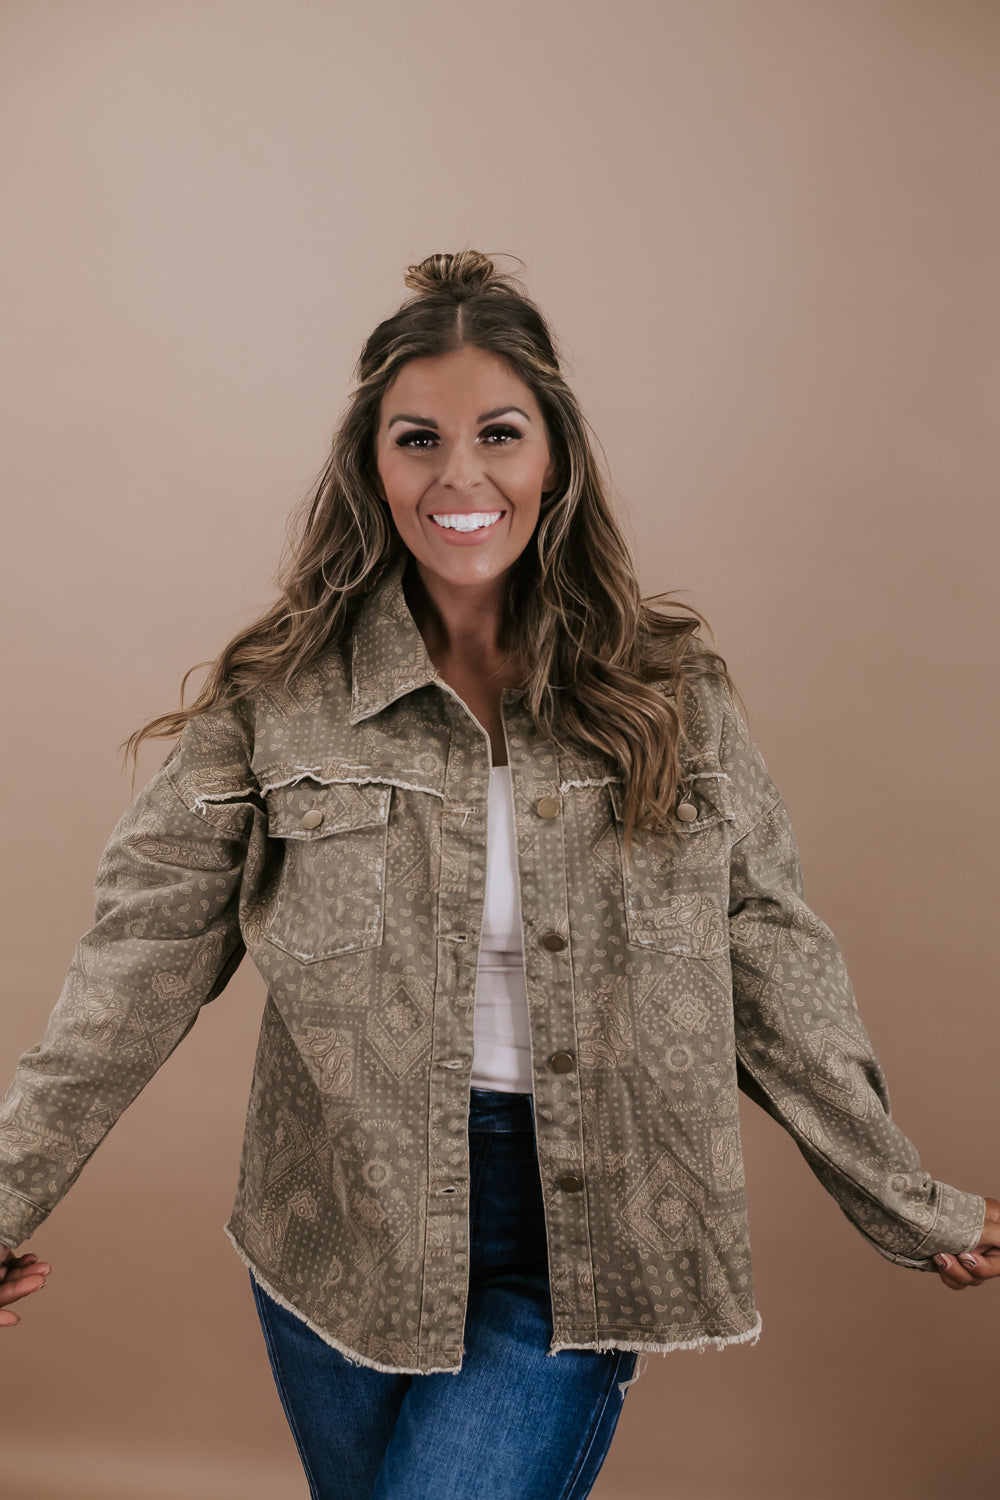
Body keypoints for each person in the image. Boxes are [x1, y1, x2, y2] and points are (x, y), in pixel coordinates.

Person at [0, 249, 996, 1499]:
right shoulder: (277, 701)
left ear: (553, 458)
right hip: (341, 1221)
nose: (459, 476)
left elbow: (765, 949)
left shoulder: (668, 691)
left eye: (499, 434)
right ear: (372, 464)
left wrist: (895, 1189)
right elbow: (132, 970)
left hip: (586, 1217)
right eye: (418, 439)